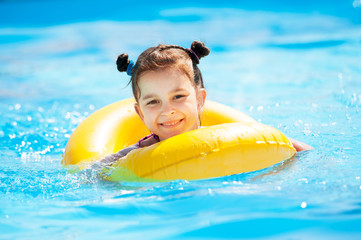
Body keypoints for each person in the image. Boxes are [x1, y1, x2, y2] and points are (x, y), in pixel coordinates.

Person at [100, 41, 312, 165]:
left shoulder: (223, 135)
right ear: (141, 113)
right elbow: (96, 171)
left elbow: (287, 144)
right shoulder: (137, 153)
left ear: (200, 99)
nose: (168, 110)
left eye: (178, 97)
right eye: (153, 101)